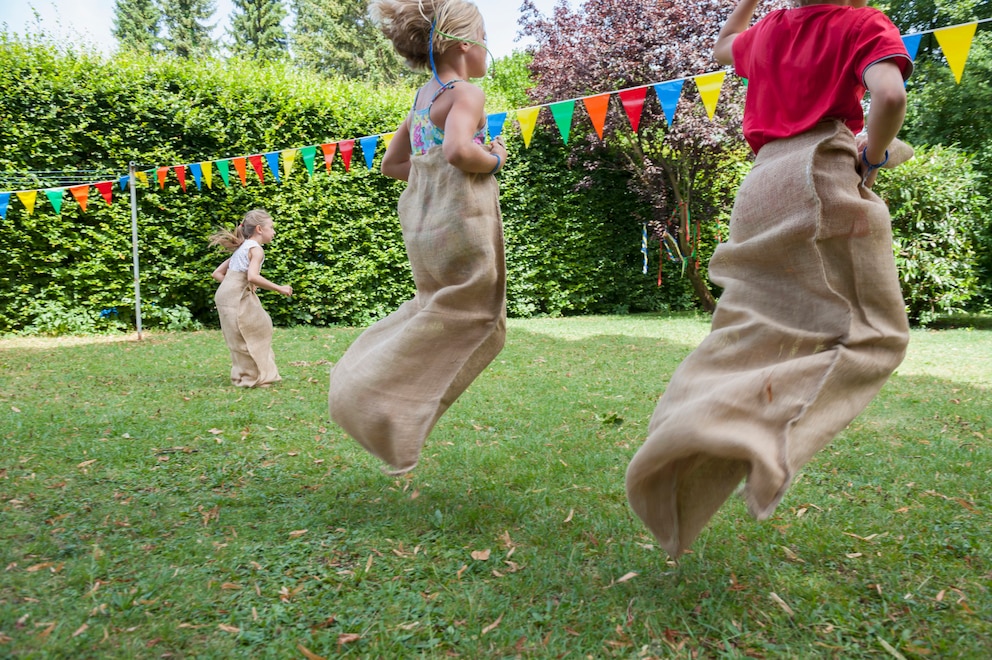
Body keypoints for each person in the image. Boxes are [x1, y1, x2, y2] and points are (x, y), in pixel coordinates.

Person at [626, 0, 914, 558]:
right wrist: (873, 158)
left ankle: (684, 420)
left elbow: (720, 48)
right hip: (820, 173)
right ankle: (761, 441)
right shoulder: (862, 23)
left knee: (749, 322)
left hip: (761, 185)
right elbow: (891, 96)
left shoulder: (769, 31)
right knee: (877, 335)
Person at [327, 0, 509, 475]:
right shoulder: (465, 93)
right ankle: (391, 411)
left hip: (423, 229)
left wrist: (435, 169)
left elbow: (393, 166)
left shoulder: (421, 100)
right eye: (486, 36)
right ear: (466, 44)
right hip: (460, 226)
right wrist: (493, 159)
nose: (490, 47)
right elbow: (455, 150)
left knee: (432, 306)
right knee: (481, 317)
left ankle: (364, 383)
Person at [210, 209, 293, 388]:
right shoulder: (256, 250)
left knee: (247, 333)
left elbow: (217, 273)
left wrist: (237, 286)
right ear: (259, 229)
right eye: (271, 227)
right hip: (235, 298)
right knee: (251, 333)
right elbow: (252, 277)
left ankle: (250, 375)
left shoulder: (243, 248)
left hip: (227, 296)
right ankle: (254, 378)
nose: (274, 231)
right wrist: (280, 288)